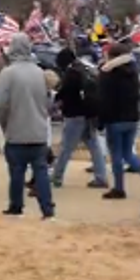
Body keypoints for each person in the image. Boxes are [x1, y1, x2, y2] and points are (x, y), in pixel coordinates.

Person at [0, 33, 55, 219]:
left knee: (16, 172)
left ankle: (16, 206)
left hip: (16, 130)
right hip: (38, 130)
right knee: (41, 172)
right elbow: (46, 102)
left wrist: (4, 125)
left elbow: (2, 105)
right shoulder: (39, 72)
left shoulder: (7, 73)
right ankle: (47, 209)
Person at [50, 48, 108, 188]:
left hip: (75, 114)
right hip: (89, 113)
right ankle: (101, 176)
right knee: (93, 145)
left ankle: (57, 177)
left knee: (66, 148)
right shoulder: (85, 69)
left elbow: (65, 94)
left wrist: (56, 101)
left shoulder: (71, 73)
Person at [96, 41, 140, 199]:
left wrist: (100, 121)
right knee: (128, 153)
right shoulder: (133, 71)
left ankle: (119, 187)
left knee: (116, 154)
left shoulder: (107, 73)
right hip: (132, 116)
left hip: (115, 118)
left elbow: (104, 99)